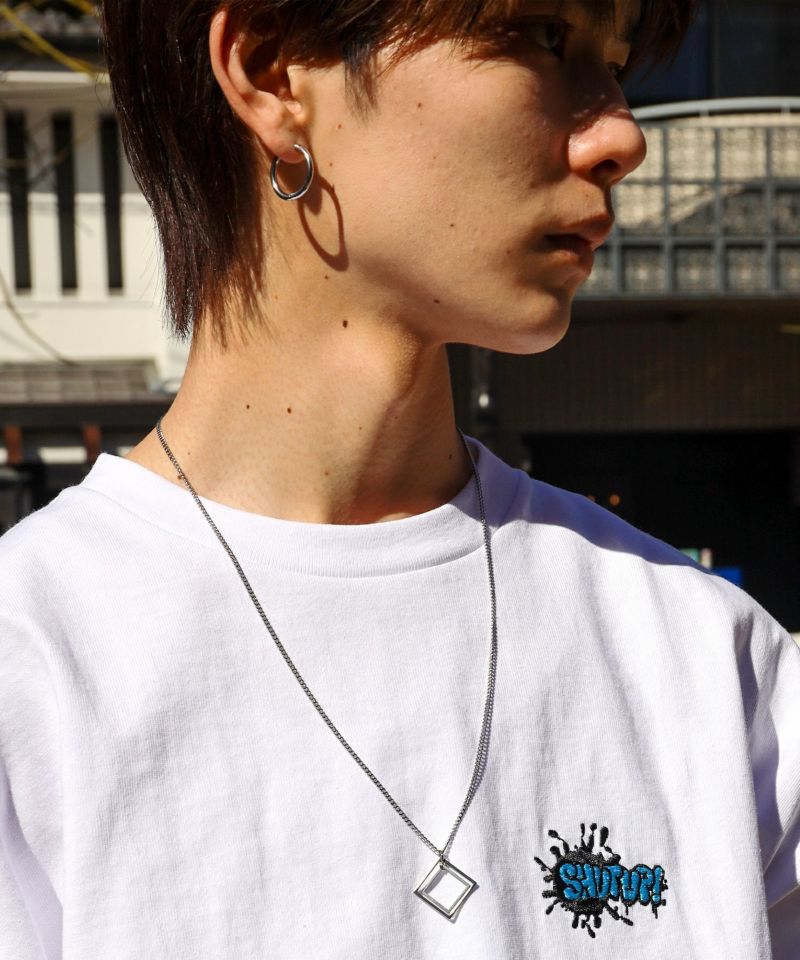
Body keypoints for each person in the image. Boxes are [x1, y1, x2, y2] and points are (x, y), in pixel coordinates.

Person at [1, 0, 798, 956]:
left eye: (618, 66)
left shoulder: (716, 671)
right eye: (543, 37)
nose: (621, 136)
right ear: (271, 69)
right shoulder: (34, 672)